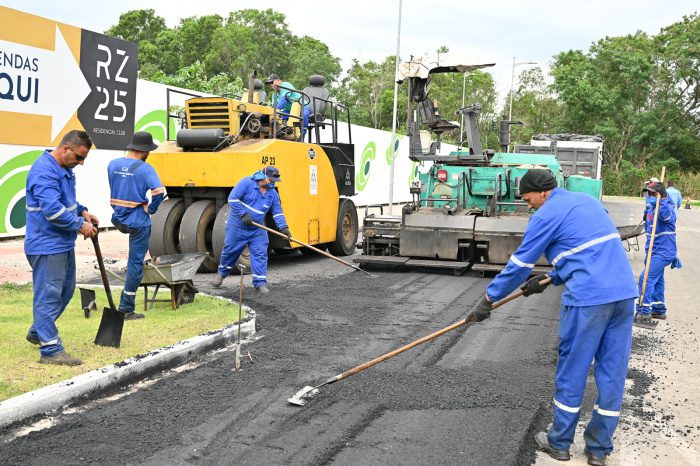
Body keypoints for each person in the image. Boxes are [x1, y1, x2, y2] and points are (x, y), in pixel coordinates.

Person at [467, 169, 637, 466]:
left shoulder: (544, 216)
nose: (527, 204)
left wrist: (489, 299)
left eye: (527, 197)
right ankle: (598, 450)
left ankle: (559, 443)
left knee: (573, 368)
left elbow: (519, 264)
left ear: (542, 192)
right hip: (623, 296)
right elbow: (587, 248)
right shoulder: (589, 203)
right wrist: (550, 277)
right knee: (612, 374)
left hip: (589, 300)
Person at [24, 130, 99, 366]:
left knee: (65, 292)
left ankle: (39, 331)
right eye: (79, 157)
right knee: (48, 297)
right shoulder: (44, 171)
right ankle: (50, 350)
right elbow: (53, 211)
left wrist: (82, 211)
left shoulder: (65, 170)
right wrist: (80, 225)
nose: (81, 163)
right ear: (65, 149)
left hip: (62, 243)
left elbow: (67, 203)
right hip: (46, 246)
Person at [107, 132, 165, 320]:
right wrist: (152, 209)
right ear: (146, 150)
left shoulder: (113, 164)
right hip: (138, 221)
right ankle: (126, 308)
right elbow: (159, 192)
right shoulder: (146, 169)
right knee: (135, 264)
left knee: (133, 260)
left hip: (118, 218)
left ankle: (125, 304)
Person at [212, 166, 290, 293]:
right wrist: (243, 214)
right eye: (271, 179)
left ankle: (260, 283)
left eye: (274, 180)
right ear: (263, 176)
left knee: (260, 253)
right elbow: (232, 198)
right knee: (230, 250)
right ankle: (221, 274)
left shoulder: (273, 193)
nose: (273, 182)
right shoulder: (246, 183)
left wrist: (284, 227)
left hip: (257, 229)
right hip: (238, 226)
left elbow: (277, 212)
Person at [636, 182, 676, 322]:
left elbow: (665, 217)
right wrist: (648, 211)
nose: (649, 196)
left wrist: (662, 201)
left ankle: (644, 311)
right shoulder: (653, 207)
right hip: (653, 250)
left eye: (651, 194)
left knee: (645, 279)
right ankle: (659, 310)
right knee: (657, 280)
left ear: (659, 195)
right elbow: (649, 221)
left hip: (663, 252)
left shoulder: (667, 208)